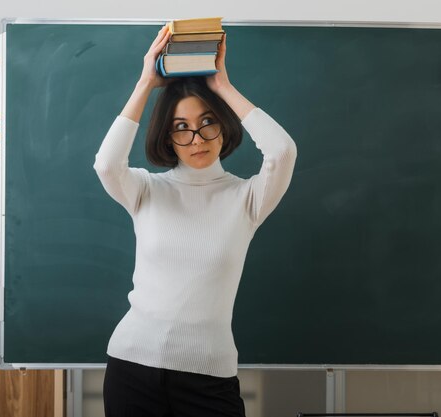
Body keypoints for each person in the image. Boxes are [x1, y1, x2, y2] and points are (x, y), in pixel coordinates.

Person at [94, 25, 297, 417]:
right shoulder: (145, 190)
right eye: (181, 128)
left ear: (223, 124)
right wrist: (145, 82)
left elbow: (282, 151)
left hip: (209, 377)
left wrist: (221, 85)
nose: (197, 139)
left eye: (207, 122)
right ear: (168, 138)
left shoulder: (247, 198)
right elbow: (106, 164)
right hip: (131, 365)